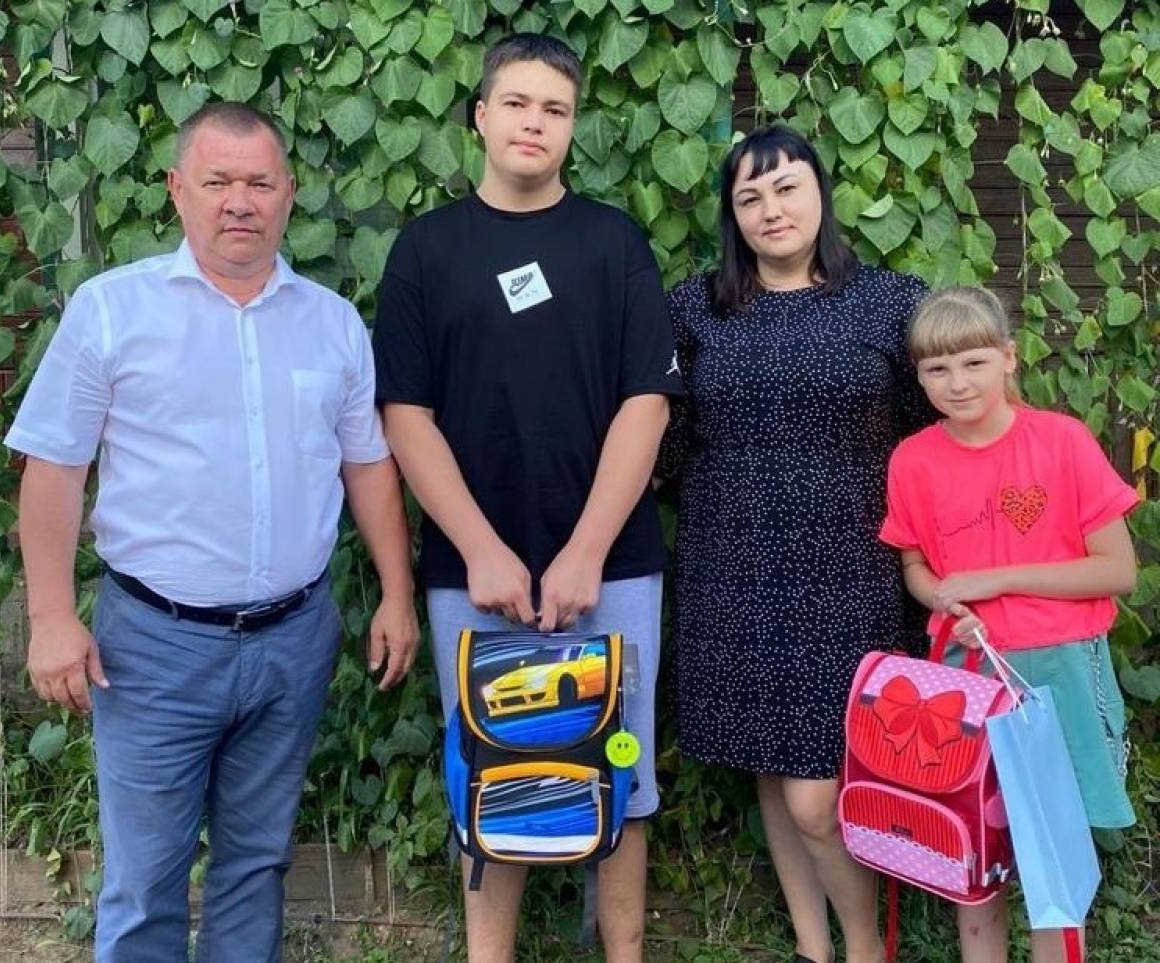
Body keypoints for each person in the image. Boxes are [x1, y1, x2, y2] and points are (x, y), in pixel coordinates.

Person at [5, 101, 420, 963]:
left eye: (260, 183)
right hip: (153, 648)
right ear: (177, 189)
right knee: (145, 877)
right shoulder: (112, 311)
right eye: (218, 181)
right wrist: (49, 617)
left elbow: (368, 465)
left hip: (292, 641)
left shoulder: (332, 323)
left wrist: (396, 592)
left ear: (289, 193)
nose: (240, 201)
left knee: (257, 864)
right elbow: (53, 468)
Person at [373, 32, 681, 963]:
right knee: (491, 763)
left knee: (623, 771)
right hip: (472, 572)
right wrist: (481, 549)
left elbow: (646, 402)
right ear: (480, 116)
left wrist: (586, 551)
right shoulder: (426, 250)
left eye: (555, 108)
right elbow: (406, 415)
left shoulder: (613, 242)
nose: (534, 123)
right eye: (516, 103)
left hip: (613, 566)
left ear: (573, 125)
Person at [656, 125, 933, 963]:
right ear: (731, 215)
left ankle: (865, 948)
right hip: (730, 567)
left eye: (786, 188)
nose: (770, 210)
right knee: (772, 771)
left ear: (820, 193)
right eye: (749, 197)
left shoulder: (891, 301)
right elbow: (667, 446)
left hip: (851, 573)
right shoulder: (694, 308)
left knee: (818, 792)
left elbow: (925, 439)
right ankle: (815, 948)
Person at [879, 285, 1137, 963]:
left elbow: (1117, 570)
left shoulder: (1061, 440)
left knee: (1055, 867)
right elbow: (915, 566)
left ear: (1009, 357)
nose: (957, 382)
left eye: (974, 362)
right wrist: (945, 600)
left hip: (1059, 672)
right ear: (919, 376)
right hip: (964, 681)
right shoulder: (913, 459)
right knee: (972, 858)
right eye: (937, 368)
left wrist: (996, 579)